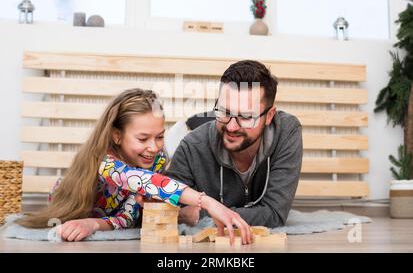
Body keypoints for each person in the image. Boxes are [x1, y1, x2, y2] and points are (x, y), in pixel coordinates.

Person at [16, 88, 252, 244]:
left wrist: (178, 213)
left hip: (117, 211)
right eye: (143, 139)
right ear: (117, 136)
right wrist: (206, 201)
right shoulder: (106, 162)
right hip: (73, 203)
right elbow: (144, 182)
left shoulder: (156, 160)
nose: (154, 147)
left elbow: (131, 214)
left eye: (159, 137)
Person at [166, 60, 303, 228]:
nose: (231, 127)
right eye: (224, 112)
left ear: (269, 116)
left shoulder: (286, 131)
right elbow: (171, 211)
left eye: (245, 116)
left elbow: (274, 214)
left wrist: (202, 214)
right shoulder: (191, 146)